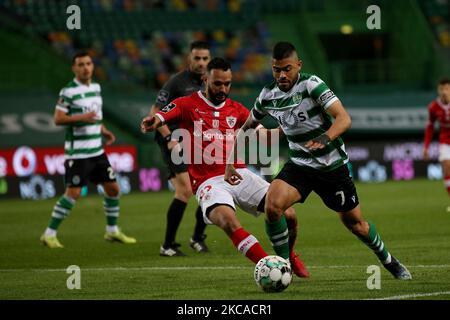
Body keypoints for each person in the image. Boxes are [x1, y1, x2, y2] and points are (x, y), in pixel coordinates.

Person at [225, 42, 412, 280]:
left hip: (332, 167)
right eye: (276, 70)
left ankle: (388, 260)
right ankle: (283, 266)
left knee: (356, 225)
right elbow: (247, 128)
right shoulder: (267, 95)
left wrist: (325, 138)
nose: (282, 75)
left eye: (287, 69)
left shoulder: (312, 85)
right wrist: (231, 162)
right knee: (273, 206)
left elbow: (344, 118)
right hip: (300, 165)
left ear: (298, 66)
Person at [141, 57, 309, 277]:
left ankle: (289, 255)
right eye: (217, 83)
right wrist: (154, 122)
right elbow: (162, 115)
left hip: (240, 174)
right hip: (208, 182)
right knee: (228, 222)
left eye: (227, 83)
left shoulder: (237, 110)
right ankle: (271, 268)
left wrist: (290, 128)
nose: (223, 88)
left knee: (289, 214)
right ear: (205, 80)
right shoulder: (186, 104)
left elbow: (265, 136)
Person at [40, 51, 136, 248]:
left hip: (97, 151)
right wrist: (81, 118)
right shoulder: (68, 92)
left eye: (88, 63)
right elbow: (58, 119)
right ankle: (49, 234)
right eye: (81, 64)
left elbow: (95, 116)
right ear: (74, 68)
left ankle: (112, 231)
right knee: (73, 193)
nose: (85, 67)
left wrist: (104, 131)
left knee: (113, 188)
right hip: (78, 154)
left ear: (92, 66)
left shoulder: (95, 87)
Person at [149, 41, 211, 256]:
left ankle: (196, 238)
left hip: (194, 140)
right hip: (173, 137)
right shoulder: (177, 82)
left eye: (205, 59)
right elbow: (154, 111)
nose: (201, 62)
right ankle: (167, 245)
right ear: (189, 59)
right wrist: (169, 139)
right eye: (197, 58)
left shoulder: (210, 83)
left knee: (208, 186)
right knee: (185, 190)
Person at [423, 78, 450, 206]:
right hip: (445, 140)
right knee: (446, 167)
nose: (444, 92)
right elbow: (430, 127)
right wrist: (426, 147)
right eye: (441, 89)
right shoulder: (433, 107)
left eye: (447, 89)